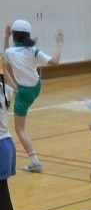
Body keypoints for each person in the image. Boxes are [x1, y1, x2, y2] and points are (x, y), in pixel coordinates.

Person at [2, 19, 64, 173]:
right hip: (37, 86)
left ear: (14, 35)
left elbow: (5, 60)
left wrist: (6, 37)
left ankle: (35, 162)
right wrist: (59, 43)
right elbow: (55, 61)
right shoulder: (33, 51)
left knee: (19, 128)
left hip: (23, 93)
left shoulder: (10, 52)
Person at [0, 55, 17, 210]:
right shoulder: (3, 88)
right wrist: (4, 67)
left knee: (1, 192)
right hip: (6, 143)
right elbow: (14, 86)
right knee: (2, 190)